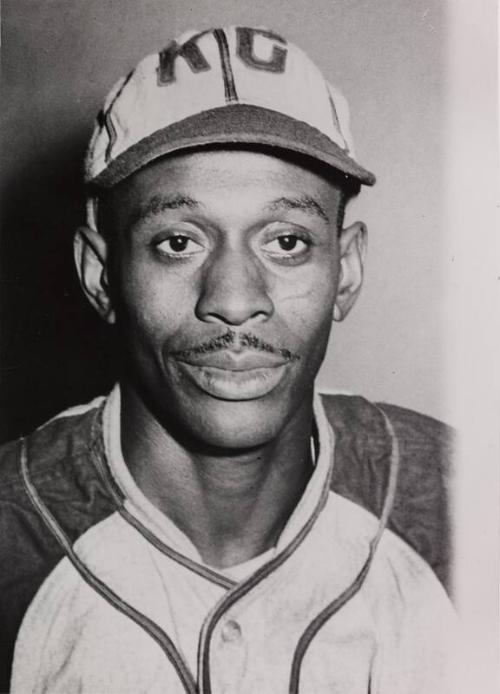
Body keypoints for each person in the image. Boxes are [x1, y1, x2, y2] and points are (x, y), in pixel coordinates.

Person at [0, 26, 456, 693]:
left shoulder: (459, 504)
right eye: (178, 242)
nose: (235, 301)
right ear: (101, 275)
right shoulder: (11, 539)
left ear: (348, 269)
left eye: (288, 242)